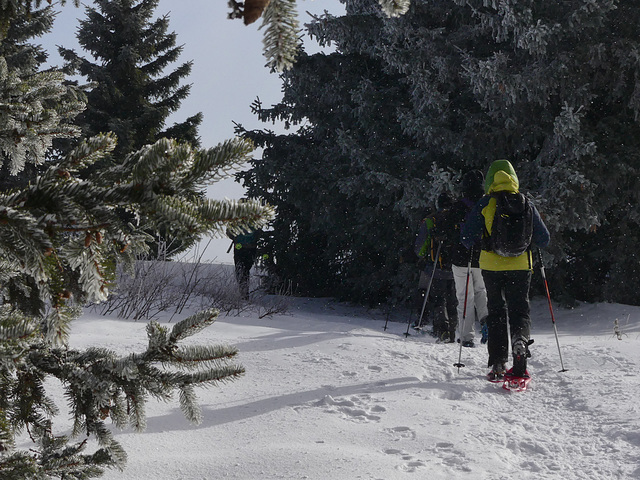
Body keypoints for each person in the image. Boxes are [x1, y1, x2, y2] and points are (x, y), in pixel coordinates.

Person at [461, 160, 550, 380]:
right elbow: (544, 239)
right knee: (520, 310)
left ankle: (499, 363)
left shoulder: (485, 203)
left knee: (496, 311)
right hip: (521, 266)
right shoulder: (526, 203)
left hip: (491, 267)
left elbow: (465, 238)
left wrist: (480, 238)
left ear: (490, 180)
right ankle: (520, 342)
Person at [448, 170, 489, 348]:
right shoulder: (486, 203)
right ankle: (487, 321)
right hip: (482, 257)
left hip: (461, 257)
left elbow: (449, 232)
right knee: (481, 291)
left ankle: (467, 337)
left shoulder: (458, 206)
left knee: (465, 297)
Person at [414, 192, 458, 343]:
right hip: (456, 267)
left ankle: (441, 329)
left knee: (439, 298)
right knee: (452, 299)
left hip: (435, 266)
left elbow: (420, 248)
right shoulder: (457, 219)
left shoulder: (430, 220)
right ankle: (452, 329)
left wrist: (423, 257)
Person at [227, 228, 259, 299]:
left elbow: (229, 231)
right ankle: (244, 293)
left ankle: (243, 292)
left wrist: (234, 238)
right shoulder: (255, 218)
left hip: (239, 247)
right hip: (251, 247)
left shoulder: (236, 218)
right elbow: (258, 232)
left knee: (240, 270)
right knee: (246, 270)